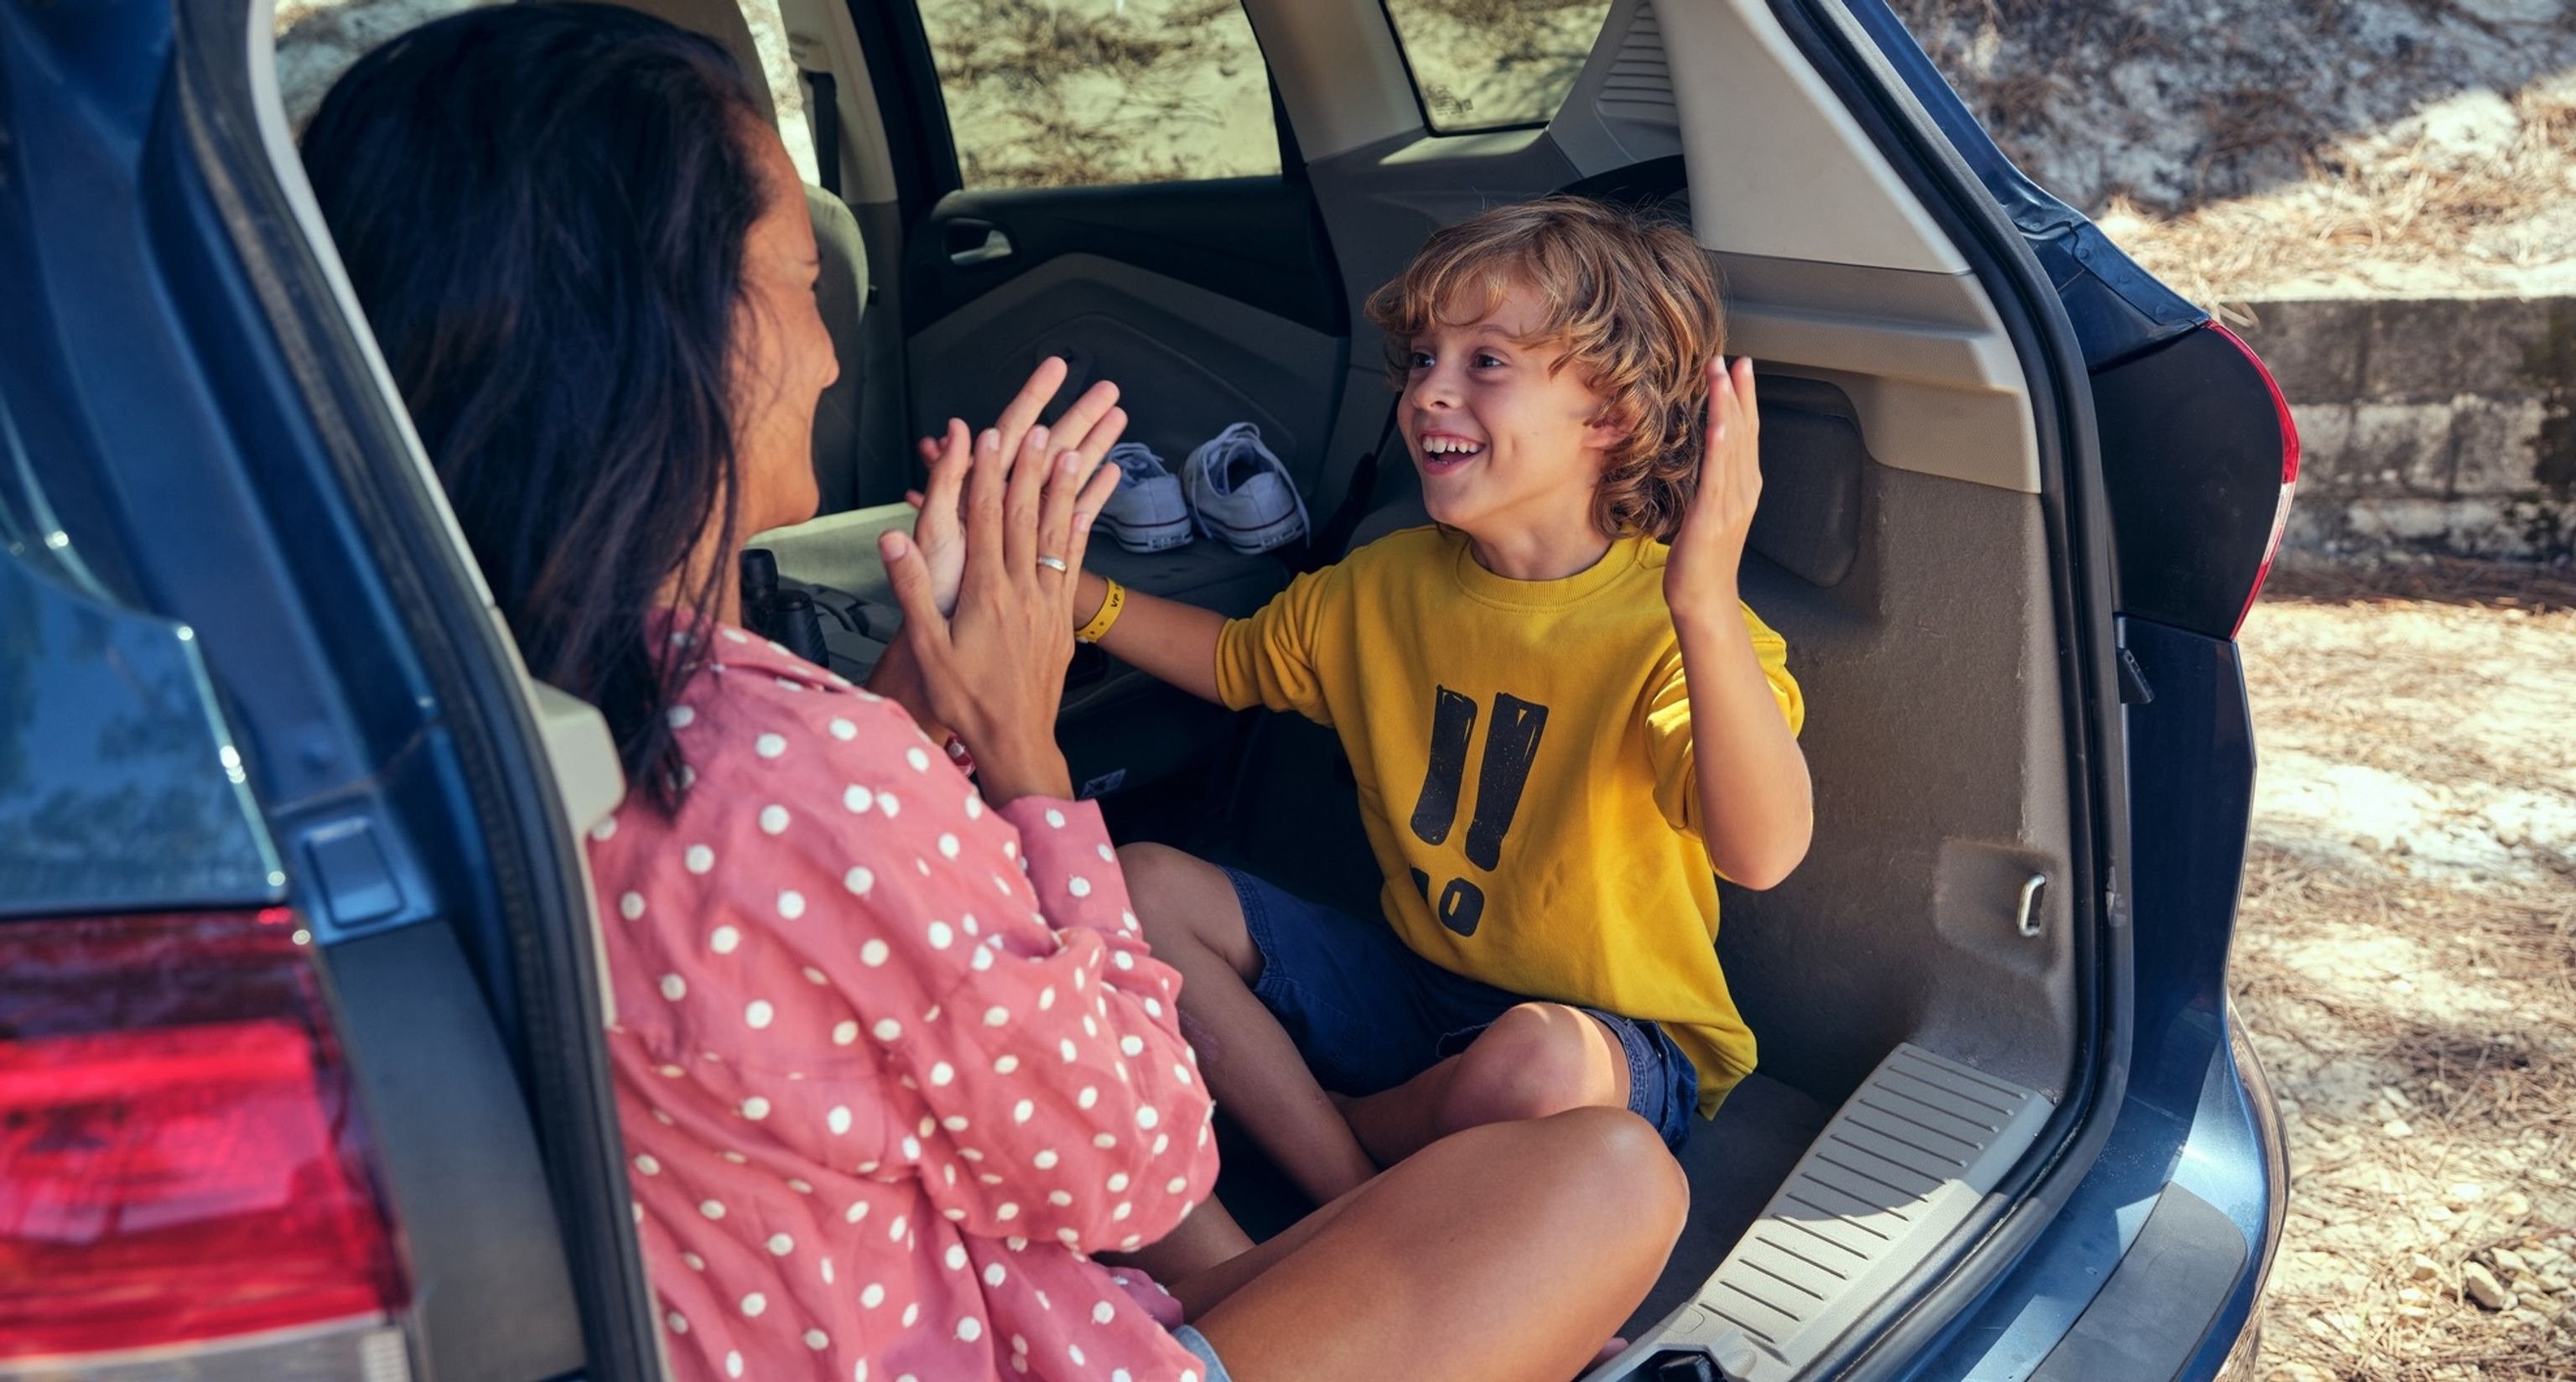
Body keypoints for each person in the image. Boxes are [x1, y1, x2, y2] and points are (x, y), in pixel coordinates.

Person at [299, 8, 1685, 1379]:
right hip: (1031, 1331)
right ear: (685, 328)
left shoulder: (395, 706)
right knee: (1617, 1178)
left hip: (929, 1290)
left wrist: (909, 717)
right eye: (800, 279)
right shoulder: (789, 765)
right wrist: (1023, 753)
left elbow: (852, 971)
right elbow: (1141, 1159)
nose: (835, 349)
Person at [1087, 198, 1814, 1211]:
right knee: (1139, 884)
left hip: (1616, 1046)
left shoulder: (1673, 626)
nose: (1430, 390)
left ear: (1608, 414)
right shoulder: (1386, 583)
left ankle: (1319, 1139)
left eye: (1486, 363)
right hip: (1416, 988)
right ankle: (1349, 1190)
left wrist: (1701, 598)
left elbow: (1762, 849)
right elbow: (1237, 660)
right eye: (1424, 357)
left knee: (1538, 1063)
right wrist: (1073, 594)